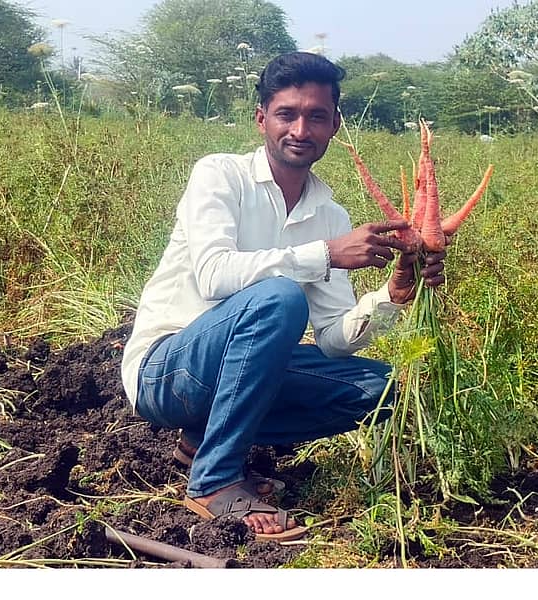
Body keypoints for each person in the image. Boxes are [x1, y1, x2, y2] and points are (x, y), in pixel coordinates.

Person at [120, 52, 446, 541]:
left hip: (239, 375)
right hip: (167, 371)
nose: (301, 129)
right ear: (261, 119)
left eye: (317, 116)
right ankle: (215, 480)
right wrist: (326, 255)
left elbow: (334, 340)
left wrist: (395, 293)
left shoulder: (330, 214)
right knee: (279, 298)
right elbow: (213, 276)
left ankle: (200, 444)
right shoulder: (219, 175)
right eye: (286, 114)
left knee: (381, 388)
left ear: (334, 125)